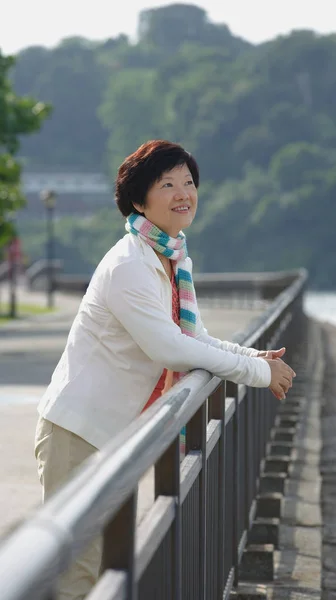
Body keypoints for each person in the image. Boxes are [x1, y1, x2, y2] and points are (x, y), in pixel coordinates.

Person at [34, 139, 296, 600]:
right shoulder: (129, 264)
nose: (184, 193)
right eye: (168, 184)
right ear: (139, 200)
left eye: (189, 182)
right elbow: (171, 349)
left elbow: (193, 339)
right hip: (78, 432)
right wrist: (253, 375)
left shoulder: (169, 258)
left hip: (113, 437)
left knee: (104, 573)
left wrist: (252, 358)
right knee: (78, 577)